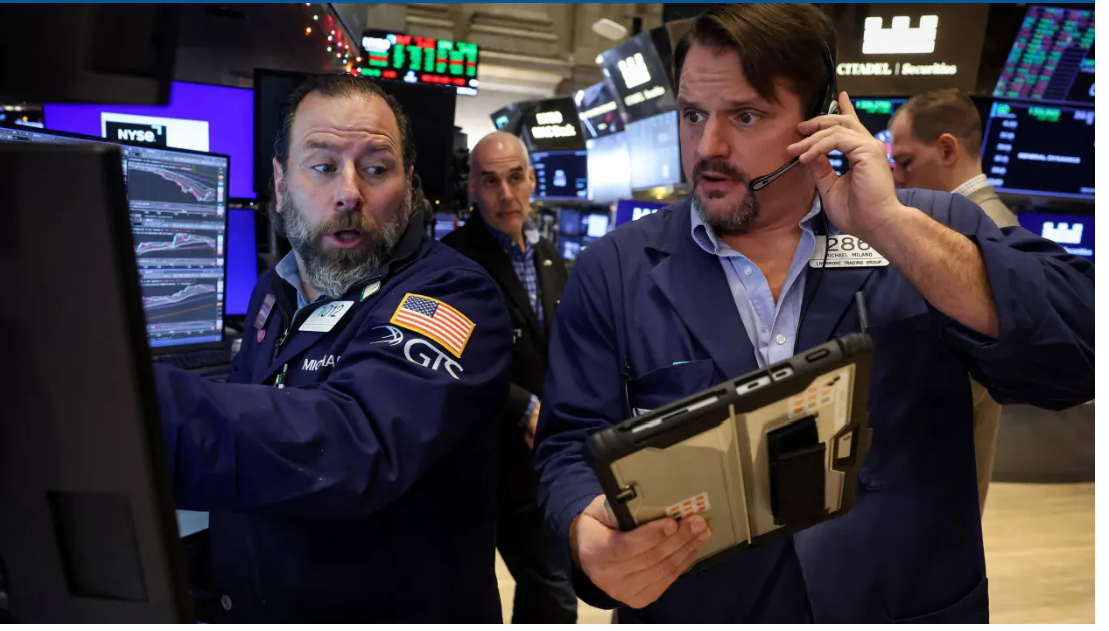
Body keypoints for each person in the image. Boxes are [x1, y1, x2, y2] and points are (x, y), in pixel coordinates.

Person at [534, 3, 1094, 624]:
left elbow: (1077, 350)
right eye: (692, 115)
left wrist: (890, 226)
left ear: (821, 121)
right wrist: (585, 534)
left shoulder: (928, 225)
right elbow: (569, 446)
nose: (707, 147)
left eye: (745, 116)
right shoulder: (614, 269)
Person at [152, 75, 513, 622]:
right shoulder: (274, 289)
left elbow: (354, 440)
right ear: (280, 184)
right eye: (323, 166)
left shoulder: (453, 294)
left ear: (410, 186)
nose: (349, 192)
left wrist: (134, 402)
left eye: (376, 169)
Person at [441, 131, 577, 623]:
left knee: (547, 590)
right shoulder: (452, 263)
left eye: (515, 178)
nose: (505, 194)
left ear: (532, 180)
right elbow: (450, 362)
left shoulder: (550, 259)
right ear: (472, 188)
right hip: (483, 462)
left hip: (541, 461)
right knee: (543, 592)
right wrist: (524, 405)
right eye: (490, 181)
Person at [888, 89, 1020, 514]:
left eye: (905, 161)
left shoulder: (983, 230)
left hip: (940, 476)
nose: (897, 177)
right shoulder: (972, 225)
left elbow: (965, 378)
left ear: (947, 149)